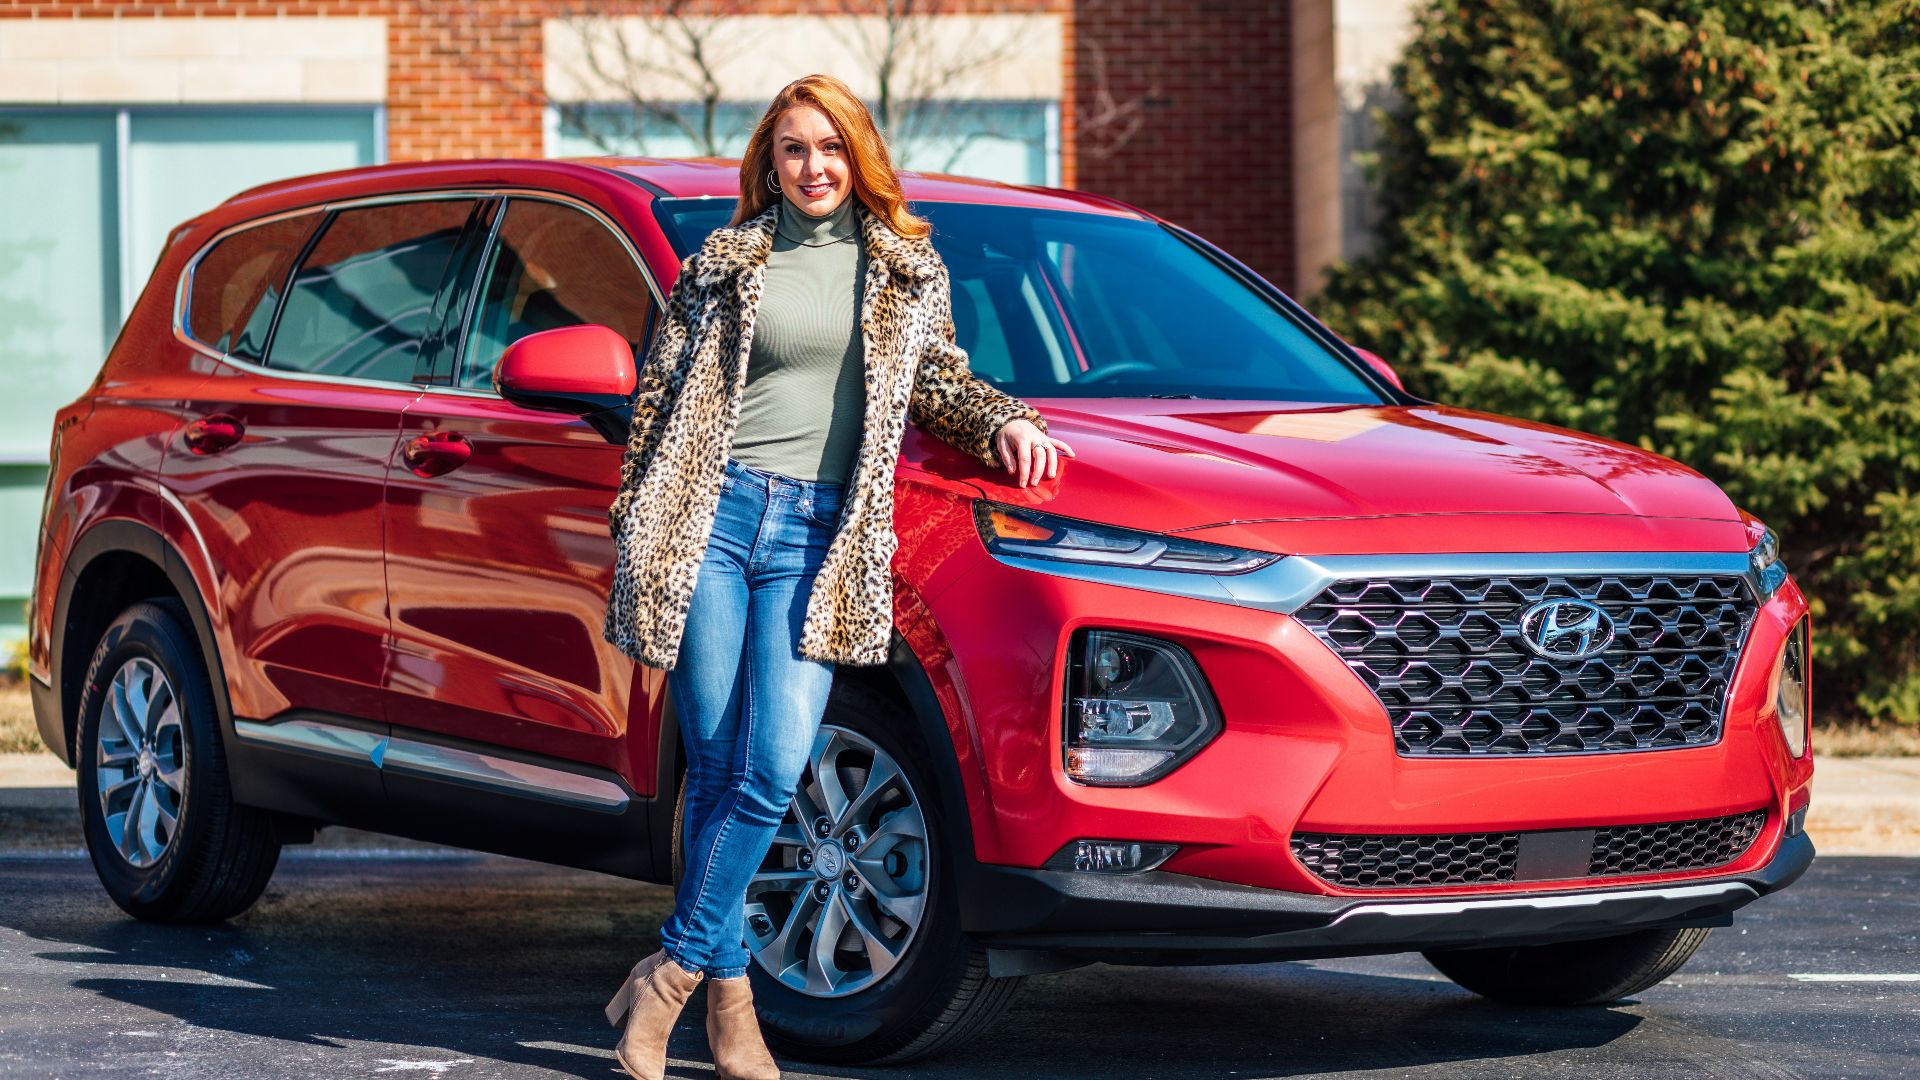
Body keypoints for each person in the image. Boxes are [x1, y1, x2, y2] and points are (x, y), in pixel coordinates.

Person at [597, 73, 1075, 1080]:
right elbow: (658, 399)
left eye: (829, 148)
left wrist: (1005, 420)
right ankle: (734, 1016)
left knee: (773, 766)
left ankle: (668, 975)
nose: (813, 167)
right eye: (792, 150)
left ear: (858, 157)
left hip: (821, 536)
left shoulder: (907, 270)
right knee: (719, 767)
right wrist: (638, 519)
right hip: (714, 522)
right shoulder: (725, 263)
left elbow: (937, 378)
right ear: (768, 164)